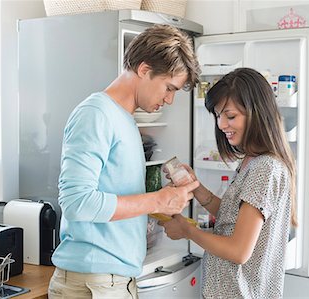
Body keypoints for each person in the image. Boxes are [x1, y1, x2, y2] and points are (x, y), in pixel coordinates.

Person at [48, 24, 200, 299]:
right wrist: (157, 200)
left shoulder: (125, 119)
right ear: (144, 70)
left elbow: (113, 200)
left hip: (111, 280)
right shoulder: (96, 114)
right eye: (169, 87)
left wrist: (162, 203)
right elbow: (76, 203)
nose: (169, 99)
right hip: (95, 283)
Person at [160, 67, 297, 298]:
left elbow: (239, 251)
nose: (222, 125)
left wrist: (187, 230)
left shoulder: (265, 168)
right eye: (218, 116)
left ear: (257, 113)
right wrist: (196, 186)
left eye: (230, 116)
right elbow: (233, 217)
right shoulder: (251, 161)